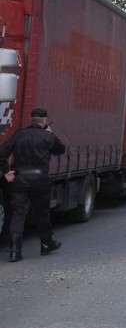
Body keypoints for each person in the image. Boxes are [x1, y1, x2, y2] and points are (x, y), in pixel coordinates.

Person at [0, 107, 66, 262]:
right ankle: (46, 245)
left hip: (20, 181)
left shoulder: (18, 135)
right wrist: (50, 133)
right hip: (40, 182)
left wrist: (6, 172)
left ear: (30, 120)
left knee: (18, 215)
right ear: (44, 120)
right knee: (42, 214)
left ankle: (15, 252)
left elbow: (1, 154)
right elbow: (60, 149)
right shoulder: (47, 136)